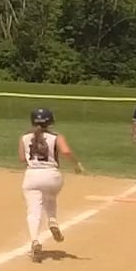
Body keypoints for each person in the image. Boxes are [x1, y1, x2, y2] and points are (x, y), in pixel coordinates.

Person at [22, 107, 85, 262]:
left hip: (32, 175)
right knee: (50, 198)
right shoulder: (56, 137)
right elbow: (66, 151)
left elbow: (22, 159)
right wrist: (76, 164)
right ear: (50, 122)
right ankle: (52, 220)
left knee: (33, 211)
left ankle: (35, 240)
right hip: (52, 175)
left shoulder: (24, 137)